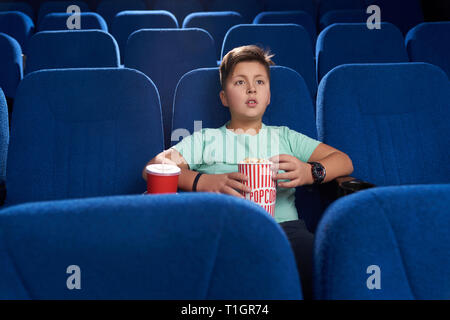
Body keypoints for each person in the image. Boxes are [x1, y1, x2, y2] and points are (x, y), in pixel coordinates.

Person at [143, 45, 353, 299]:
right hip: (223, 228)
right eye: (240, 82)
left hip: (284, 229)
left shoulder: (285, 137)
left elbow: (343, 160)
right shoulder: (206, 139)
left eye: (259, 82)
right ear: (224, 97)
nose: (251, 88)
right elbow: (153, 167)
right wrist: (203, 181)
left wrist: (311, 172)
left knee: (320, 265)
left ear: (268, 97)